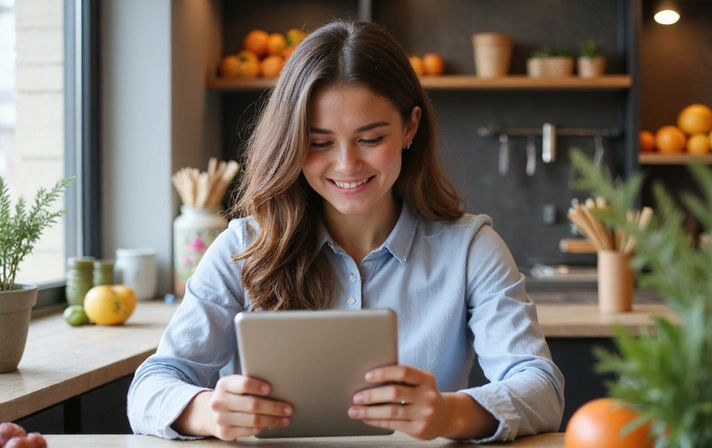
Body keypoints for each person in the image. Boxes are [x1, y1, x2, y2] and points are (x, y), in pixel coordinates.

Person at [127, 19, 564, 443]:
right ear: (292, 141)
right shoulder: (243, 247)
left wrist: (449, 413)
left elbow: (541, 387)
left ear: (410, 127)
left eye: (370, 139)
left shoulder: (472, 250)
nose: (347, 165)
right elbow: (151, 387)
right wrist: (207, 411)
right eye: (319, 143)